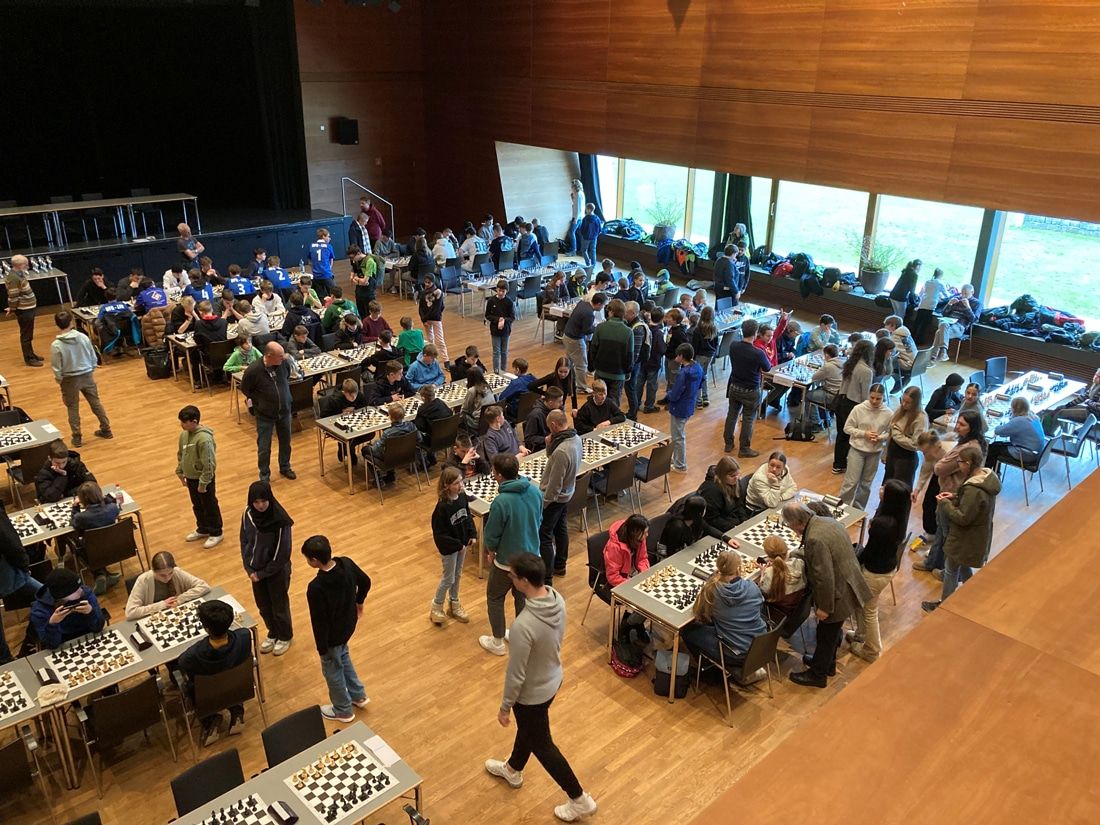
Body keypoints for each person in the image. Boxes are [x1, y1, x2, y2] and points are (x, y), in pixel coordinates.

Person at [485, 552, 597, 822]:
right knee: (530, 731)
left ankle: (579, 799)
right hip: (553, 679)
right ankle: (513, 769)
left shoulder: (523, 626)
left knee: (543, 745)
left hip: (531, 695)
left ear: (524, 581)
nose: (510, 578)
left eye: (513, 576)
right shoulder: (557, 600)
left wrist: (505, 707)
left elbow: (516, 674)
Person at [783, 503, 871, 688]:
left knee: (825, 635)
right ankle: (826, 664)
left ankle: (818, 675)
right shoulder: (828, 522)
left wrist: (824, 607)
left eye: (789, 524)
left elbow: (824, 577)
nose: (790, 528)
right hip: (848, 585)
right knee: (831, 634)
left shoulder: (815, 538)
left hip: (836, 594)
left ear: (797, 522)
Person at [301, 534, 373, 723]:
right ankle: (358, 695)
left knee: (332, 670)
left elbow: (319, 621)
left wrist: (322, 648)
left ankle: (343, 710)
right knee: (343, 656)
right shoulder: (346, 563)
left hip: (332, 636)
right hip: (348, 626)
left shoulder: (316, 587)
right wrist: (359, 602)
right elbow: (366, 581)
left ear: (314, 560)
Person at [922, 445, 1001, 612]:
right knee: (963, 565)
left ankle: (944, 605)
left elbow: (963, 517)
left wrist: (945, 504)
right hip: (976, 536)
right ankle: (970, 596)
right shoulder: (986, 478)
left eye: (960, 462)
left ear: (968, 463)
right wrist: (955, 496)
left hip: (965, 537)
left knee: (951, 569)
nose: (958, 466)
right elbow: (973, 504)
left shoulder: (973, 489)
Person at [479, 453, 544, 656]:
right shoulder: (535, 491)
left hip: (507, 563)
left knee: (495, 598)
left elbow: (491, 534)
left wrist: (491, 551)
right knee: (522, 598)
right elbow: (539, 520)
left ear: (499, 475)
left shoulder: (501, 501)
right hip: (531, 558)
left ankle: (497, 641)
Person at [914, 410, 988, 575]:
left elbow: (940, 469)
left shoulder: (967, 448)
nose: (957, 427)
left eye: (962, 424)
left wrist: (940, 462)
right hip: (953, 491)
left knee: (946, 533)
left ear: (972, 427)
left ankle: (944, 569)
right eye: (958, 422)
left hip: (953, 492)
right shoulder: (968, 443)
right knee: (943, 532)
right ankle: (936, 563)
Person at [847, 479, 911, 662]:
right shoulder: (899, 515)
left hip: (875, 572)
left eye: (884, 489)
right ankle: (861, 634)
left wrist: (853, 563)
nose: (880, 489)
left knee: (869, 610)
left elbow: (869, 552)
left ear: (890, 498)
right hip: (887, 567)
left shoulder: (883, 525)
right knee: (861, 605)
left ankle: (872, 650)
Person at [177, 599, 253, 746]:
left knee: (188, 683)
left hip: (207, 697)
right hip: (238, 687)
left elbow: (181, 663)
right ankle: (236, 708)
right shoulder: (244, 636)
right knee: (229, 676)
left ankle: (210, 719)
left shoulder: (193, 655)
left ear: (206, 628)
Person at [681, 549, 767, 675]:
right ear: (738, 569)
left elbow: (698, 613)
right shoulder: (752, 586)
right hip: (761, 645)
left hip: (736, 653)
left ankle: (708, 671)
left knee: (687, 630)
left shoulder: (712, 591)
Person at [241, 480, 294, 656]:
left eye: (264, 501)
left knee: (279, 605)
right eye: (256, 502)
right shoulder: (247, 514)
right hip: (256, 571)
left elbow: (282, 553)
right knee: (263, 605)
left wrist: (262, 574)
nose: (260, 505)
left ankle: (285, 636)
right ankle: (273, 632)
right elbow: (244, 540)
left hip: (276, 571)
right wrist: (249, 569)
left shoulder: (281, 521)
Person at [50, 310, 112, 447]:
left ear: (57, 325)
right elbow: (92, 355)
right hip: (87, 374)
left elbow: (56, 367)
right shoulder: (83, 337)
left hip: (69, 379)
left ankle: (77, 437)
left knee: (72, 407)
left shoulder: (56, 345)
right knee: (96, 403)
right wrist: (91, 368)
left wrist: (60, 381)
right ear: (71, 322)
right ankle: (106, 429)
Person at [171, 405, 226, 553]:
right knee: (197, 505)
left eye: (184, 422)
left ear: (194, 421)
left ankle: (216, 532)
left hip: (203, 480)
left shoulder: (204, 439)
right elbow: (181, 455)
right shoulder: (184, 435)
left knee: (209, 505)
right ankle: (203, 528)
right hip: (191, 478)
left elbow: (209, 463)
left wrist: (203, 484)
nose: (181, 425)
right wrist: (180, 473)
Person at [240, 342, 297, 482]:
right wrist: (259, 402)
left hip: (284, 411)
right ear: (269, 356)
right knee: (264, 447)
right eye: (280, 355)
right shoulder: (253, 370)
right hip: (265, 415)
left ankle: (285, 467)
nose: (283, 357)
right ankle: (264, 475)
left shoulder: (283, 364)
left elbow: (286, 378)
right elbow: (246, 389)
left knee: (286, 442)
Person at [430, 467, 476, 625]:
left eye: (461, 481)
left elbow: (468, 516)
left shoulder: (462, 497)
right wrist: (457, 545)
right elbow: (439, 534)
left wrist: (472, 534)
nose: (460, 485)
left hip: (462, 545)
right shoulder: (442, 507)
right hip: (450, 548)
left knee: (457, 575)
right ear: (446, 485)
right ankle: (436, 607)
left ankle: (454, 603)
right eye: (456, 483)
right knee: (448, 578)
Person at [539, 410, 580, 583]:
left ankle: (547, 577)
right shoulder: (575, 438)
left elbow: (554, 485)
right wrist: (549, 444)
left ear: (554, 425)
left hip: (555, 499)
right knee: (561, 529)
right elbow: (551, 457)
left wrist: (544, 504)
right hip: (567, 493)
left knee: (544, 536)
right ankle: (560, 565)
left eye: (549, 427)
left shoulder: (562, 451)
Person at [723, 318, 773, 458]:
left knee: (731, 415)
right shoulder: (758, 353)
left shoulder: (733, 346)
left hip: (734, 386)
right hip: (751, 390)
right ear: (756, 333)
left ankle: (728, 443)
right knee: (748, 419)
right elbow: (767, 368)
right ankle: (744, 448)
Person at [838, 383, 892, 510]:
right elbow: (847, 428)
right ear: (868, 395)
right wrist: (864, 434)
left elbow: (890, 433)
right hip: (857, 450)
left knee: (866, 485)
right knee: (850, 483)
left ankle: (858, 511)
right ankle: (841, 509)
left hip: (874, 452)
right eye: (872, 397)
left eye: (878, 399)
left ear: (883, 397)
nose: (874, 401)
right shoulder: (858, 409)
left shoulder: (888, 413)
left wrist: (880, 437)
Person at [0, 509, 43, 663]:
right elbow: (11, 543)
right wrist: (24, 566)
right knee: (49, 597)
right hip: (6, 574)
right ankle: (30, 644)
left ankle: (5, 659)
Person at [29, 568, 105, 650]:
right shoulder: (40, 611)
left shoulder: (86, 593)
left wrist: (91, 612)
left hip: (89, 638)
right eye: (76, 590)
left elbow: (99, 627)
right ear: (63, 596)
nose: (81, 590)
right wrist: (53, 624)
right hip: (62, 646)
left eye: (79, 586)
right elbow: (51, 645)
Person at [70, 481, 123, 594]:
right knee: (97, 544)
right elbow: (114, 505)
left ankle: (99, 574)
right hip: (114, 546)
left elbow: (73, 522)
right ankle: (105, 575)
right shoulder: (112, 508)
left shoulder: (81, 517)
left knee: (73, 539)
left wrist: (75, 507)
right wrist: (103, 499)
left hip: (91, 551)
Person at [125, 551, 210, 621]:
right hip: (156, 619)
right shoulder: (143, 580)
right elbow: (130, 612)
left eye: (170, 573)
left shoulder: (176, 572)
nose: (167, 578)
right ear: (153, 570)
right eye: (162, 575)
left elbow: (204, 586)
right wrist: (163, 605)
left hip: (177, 615)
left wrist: (180, 599)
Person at [832, 338, 874, 474]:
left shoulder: (849, 363)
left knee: (841, 434)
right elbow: (865, 395)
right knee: (851, 436)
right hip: (853, 405)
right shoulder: (866, 371)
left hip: (841, 401)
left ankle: (838, 463)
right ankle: (848, 464)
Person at [667, 343, 706, 473]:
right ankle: (677, 459)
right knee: (679, 434)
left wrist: (669, 394)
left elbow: (675, 394)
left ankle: (680, 465)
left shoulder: (683, 373)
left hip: (679, 407)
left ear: (682, 356)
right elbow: (701, 382)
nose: (675, 357)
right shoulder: (698, 368)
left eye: (677, 355)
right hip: (689, 404)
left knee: (677, 436)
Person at [588, 298, 633, 406]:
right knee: (614, 405)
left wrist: (592, 366)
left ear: (611, 312)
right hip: (618, 374)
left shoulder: (600, 328)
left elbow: (593, 350)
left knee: (598, 401)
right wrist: (627, 371)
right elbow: (629, 356)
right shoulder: (628, 332)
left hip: (600, 371)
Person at [562, 292, 606, 395]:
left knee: (569, 362)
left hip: (567, 336)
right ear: (599, 304)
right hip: (575, 339)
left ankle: (567, 382)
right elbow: (587, 330)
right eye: (603, 305)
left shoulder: (582, 303)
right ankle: (581, 387)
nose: (603, 308)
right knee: (581, 364)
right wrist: (599, 327)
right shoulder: (589, 313)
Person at [985, 396, 1047, 470]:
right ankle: (995, 472)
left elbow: (998, 431)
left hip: (1026, 454)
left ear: (1014, 409)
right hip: (1037, 453)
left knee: (992, 449)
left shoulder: (1019, 421)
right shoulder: (1033, 416)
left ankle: (987, 472)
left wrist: (1000, 424)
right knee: (997, 445)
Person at [757, 535, 807, 624]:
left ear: (767, 555)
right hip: (797, 610)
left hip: (776, 615)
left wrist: (762, 575)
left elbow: (762, 593)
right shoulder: (799, 563)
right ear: (786, 550)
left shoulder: (769, 573)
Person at [911, 430, 947, 554]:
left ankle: (940, 542)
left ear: (935, 445)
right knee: (928, 503)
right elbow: (925, 470)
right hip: (938, 474)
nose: (924, 454)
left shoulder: (948, 451)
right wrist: (917, 490)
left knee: (941, 510)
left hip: (950, 479)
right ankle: (931, 532)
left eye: (925, 451)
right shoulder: (930, 454)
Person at [884, 386, 927, 488]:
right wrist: (885, 452)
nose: (904, 404)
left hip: (906, 458)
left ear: (915, 403)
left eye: (908, 402)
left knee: (899, 489)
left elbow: (916, 444)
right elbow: (890, 431)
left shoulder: (921, 418)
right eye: (902, 400)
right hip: (892, 452)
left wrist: (896, 434)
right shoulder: (901, 409)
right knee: (886, 486)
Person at [697, 456, 752, 534]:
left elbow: (739, 505)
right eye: (732, 476)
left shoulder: (735, 482)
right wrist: (733, 527)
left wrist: (744, 520)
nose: (736, 478)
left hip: (733, 521)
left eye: (738, 474)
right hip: (720, 528)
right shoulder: (711, 491)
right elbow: (713, 519)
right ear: (722, 475)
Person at [931, 283, 980, 361]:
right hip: (948, 322)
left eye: (966, 294)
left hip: (959, 326)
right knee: (943, 323)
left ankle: (933, 357)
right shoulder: (956, 299)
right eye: (962, 293)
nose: (963, 296)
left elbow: (974, 320)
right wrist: (949, 304)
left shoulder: (977, 303)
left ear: (972, 292)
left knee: (939, 333)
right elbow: (944, 314)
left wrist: (968, 307)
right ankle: (943, 353)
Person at [35, 439, 95, 503]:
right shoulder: (44, 473)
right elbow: (51, 497)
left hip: (75, 499)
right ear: (50, 458)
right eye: (57, 463)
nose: (61, 466)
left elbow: (92, 484)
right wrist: (62, 476)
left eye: (64, 462)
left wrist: (66, 494)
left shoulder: (76, 465)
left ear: (67, 457)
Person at [639, 306, 668, 414]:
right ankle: (649, 406)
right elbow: (662, 349)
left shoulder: (644, 328)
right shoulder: (659, 333)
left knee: (639, 383)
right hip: (653, 362)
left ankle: (636, 403)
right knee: (652, 385)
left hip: (642, 361)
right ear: (661, 319)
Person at [485, 280, 516, 374]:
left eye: (503, 291)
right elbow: (487, 315)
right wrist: (498, 319)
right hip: (495, 331)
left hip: (506, 331)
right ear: (496, 289)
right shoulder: (491, 301)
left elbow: (512, 317)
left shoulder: (509, 302)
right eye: (499, 290)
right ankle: (496, 371)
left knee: (504, 352)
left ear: (507, 291)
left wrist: (504, 320)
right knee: (496, 352)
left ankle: (503, 371)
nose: (501, 293)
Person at [418, 276, 448, 366]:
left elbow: (438, 308)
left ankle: (446, 360)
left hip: (435, 318)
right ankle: (432, 358)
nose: (426, 284)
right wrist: (423, 320)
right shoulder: (423, 293)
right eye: (425, 282)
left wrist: (426, 318)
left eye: (429, 282)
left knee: (440, 340)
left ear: (433, 282)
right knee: (430, 340)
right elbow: (420, 308)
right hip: (426, 319)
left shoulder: (438, 292)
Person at [524, 387, 563, 452]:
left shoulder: (558, 409)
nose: (561, 403)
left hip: (555, 441)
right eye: (559, 401)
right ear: (551, 403)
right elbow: (528, 438)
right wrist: (545, 439)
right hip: (542, 446)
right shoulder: (535, 415)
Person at [883, 314, 917, 383]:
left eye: (886, 325)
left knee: (883, 360)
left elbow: (888, 348)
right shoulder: (904, 334)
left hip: (906, 364)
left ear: (893, 326)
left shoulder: (896, 337)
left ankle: (881, 380)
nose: (884, 327)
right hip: (915, 363)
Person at [309, 228, 335, 299]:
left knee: (320, 296)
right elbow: (331, 260)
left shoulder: (311, 246)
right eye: (328, 236)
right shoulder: (328, 246)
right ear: (323, 236)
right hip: (326, 275)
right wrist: (329, 269)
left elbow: (309, 261)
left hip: (316, 276)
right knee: (334, 294)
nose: (329, 238)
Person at [567, 179, 585, 254]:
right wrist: (573, 198)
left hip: (577, 217)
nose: (571, 188)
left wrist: (575, 219)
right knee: (578, 233)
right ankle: (580, 249)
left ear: (575, 187)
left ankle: (573, 250)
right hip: (580, 216)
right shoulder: (581, 193)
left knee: (571, 232)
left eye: (572, 187)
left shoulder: (578, 194)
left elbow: (577, 208)